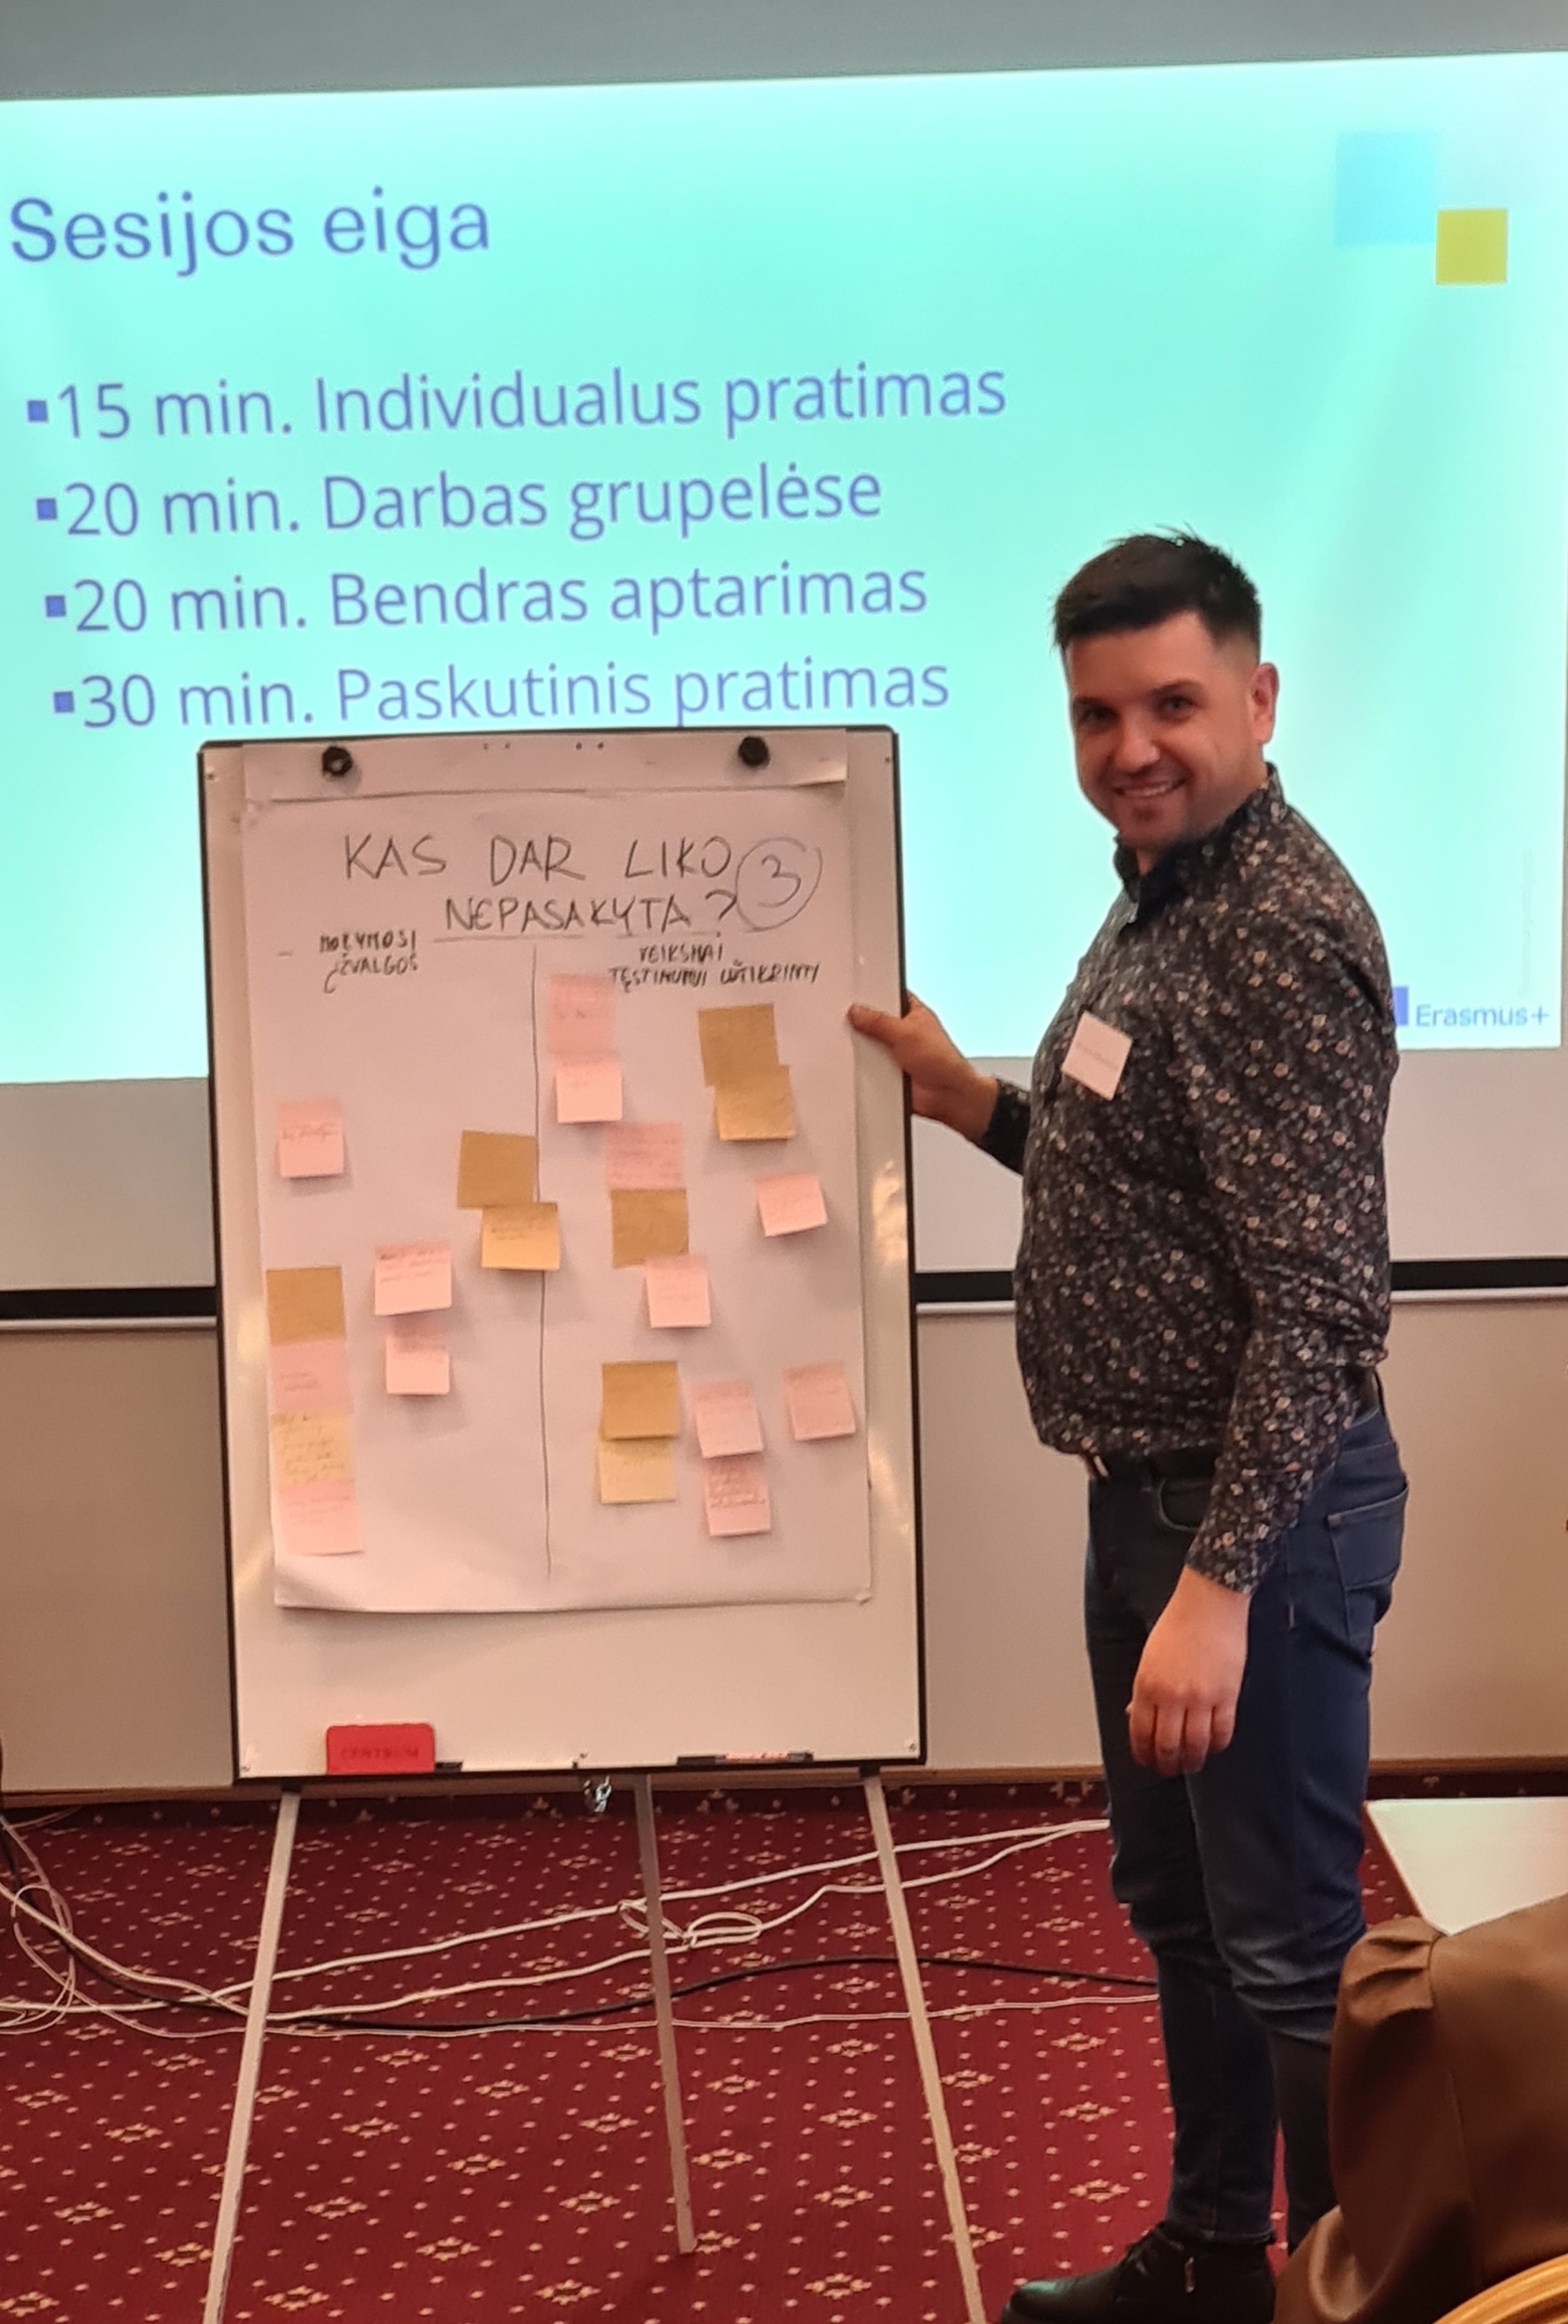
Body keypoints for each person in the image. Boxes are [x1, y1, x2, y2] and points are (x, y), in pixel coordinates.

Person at [850, 532, 1407, 2324]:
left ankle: (1338, 2292)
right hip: (1154, 1506)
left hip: (1254, 1523)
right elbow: (1147, 1189)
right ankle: (1212, 2256)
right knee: (1184, 1914)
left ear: (1258, 697)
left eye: (1171, 703)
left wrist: (1218, 1586)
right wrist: (973, 1107)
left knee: (1288, 1944)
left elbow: (1318, 1306)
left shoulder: (1273, 932)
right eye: (1096, 715)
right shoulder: (1163, 889)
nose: (1130, 747)